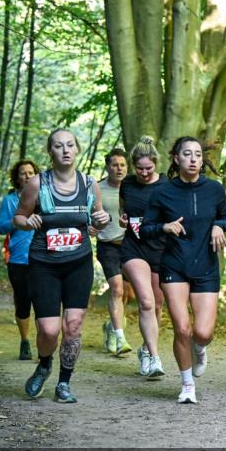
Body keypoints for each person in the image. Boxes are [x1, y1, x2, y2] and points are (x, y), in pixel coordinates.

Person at [13, 129, 111, 403]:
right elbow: (18, 217)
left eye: (70, 145)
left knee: (73, 326)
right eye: (59, 146)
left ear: (77, 149)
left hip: (78, 263)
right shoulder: (37, 184)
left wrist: (101, 220)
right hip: (44, 264)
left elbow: (97, 218)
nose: (65, 150)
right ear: (50, 151)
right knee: (48, 330)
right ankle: (45, 364)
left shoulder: (89, 184)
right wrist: (27, 222)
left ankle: (64, 383)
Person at [142, 136, 226, 405]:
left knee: (202, 333)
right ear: (176, 159)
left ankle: (199, 349)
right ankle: (187, 385)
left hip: (206, 265)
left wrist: (219, 226)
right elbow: (145, 229)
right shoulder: (162, 192)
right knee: (182, 328)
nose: (193, 159)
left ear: (202, 160)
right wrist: (164, 227)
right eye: (188, 154)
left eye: (198, 155)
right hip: (174, 265)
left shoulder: (214, 189)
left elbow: (224, 218)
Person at [119, 136, 168, 379]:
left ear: (156, 164)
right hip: (134, 247)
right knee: (146, 302)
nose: (144, 173)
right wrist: (123, 219)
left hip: (160, 248)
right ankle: (154, 356)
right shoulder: (127, 183)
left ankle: (146, 349)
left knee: (157, 304)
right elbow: (124, 209)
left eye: (149, 168)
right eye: (140, 168)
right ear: (133, 166)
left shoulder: (167, 184)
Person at [0, 159, 40, 360]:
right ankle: (24, 341)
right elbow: (1, 227)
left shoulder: (44, 197)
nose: (27, 176)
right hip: (19, 259)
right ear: (17, 177)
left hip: (43, 257)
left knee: (42, 302)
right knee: (23, 302)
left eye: (31, 172)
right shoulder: (10, 200)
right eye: (23, 173)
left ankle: (43, 342)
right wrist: (17, 220)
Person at [96, 147, 133, 355]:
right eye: (115, 165)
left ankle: (111, 326)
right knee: (117, 289)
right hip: (108, 245)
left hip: (131, 246)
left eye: (122, 165)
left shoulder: (133, 188)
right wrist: (92, 226)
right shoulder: (97, 189)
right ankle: (120, 339)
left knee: (127, 294)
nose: (119, 169)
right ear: (107, 167)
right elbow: (88, 216)